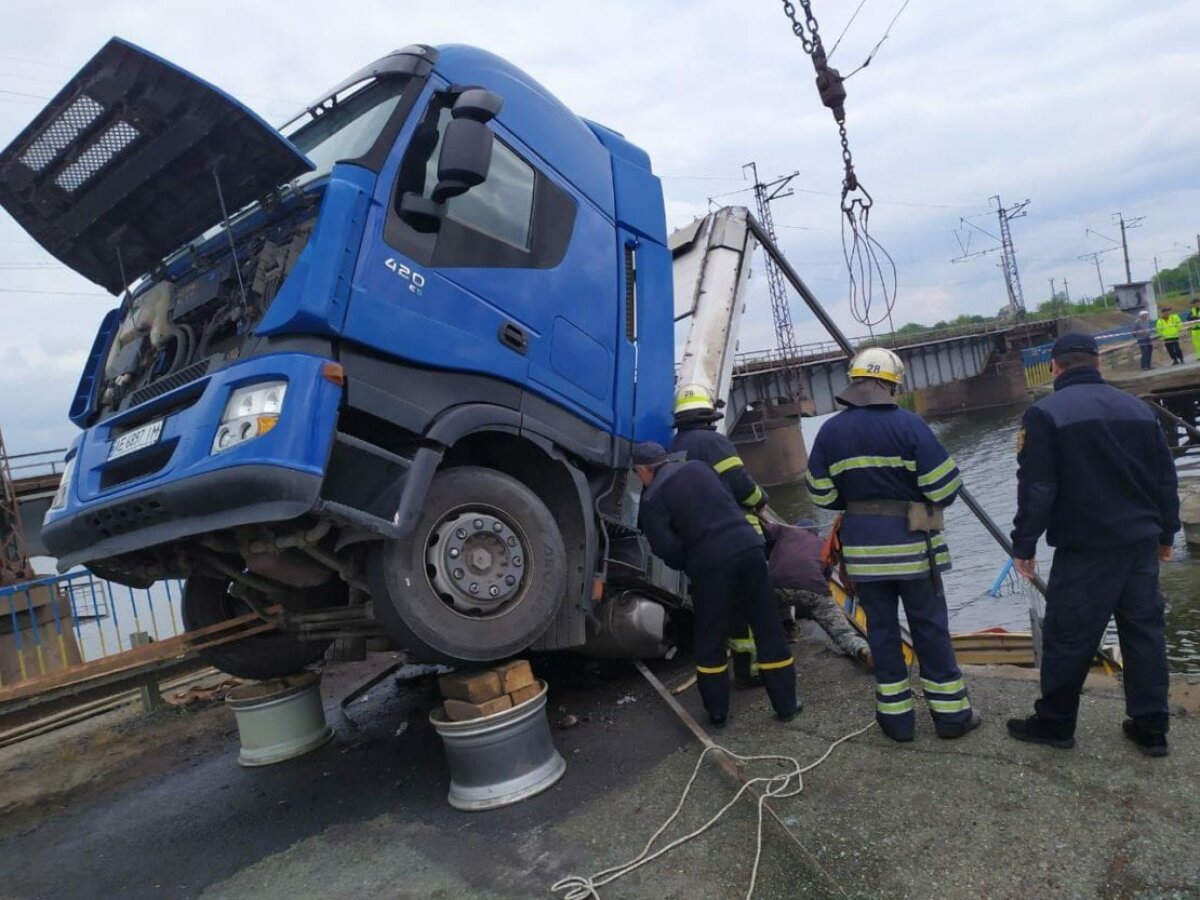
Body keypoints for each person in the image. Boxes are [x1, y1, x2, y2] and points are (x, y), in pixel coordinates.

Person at [1008, 333, 1178, 757]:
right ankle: (1151, 726)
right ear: (1098, 364)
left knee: (1068, 637)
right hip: (1139, 545)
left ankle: (1056, 723)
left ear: (1054, 367)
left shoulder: (1044, 415)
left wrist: (1024, 543)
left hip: (1086, 550)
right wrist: (1167, 534)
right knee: (1144, 634)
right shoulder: (1140, 411)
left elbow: (1039, 487)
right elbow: (1164, 479)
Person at [805, 347, 980, 743]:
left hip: (864, 558)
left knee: (882, 634)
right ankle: (952, 718)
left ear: (855, 383)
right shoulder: (910, 425)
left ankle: (897, 723)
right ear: (890, 384)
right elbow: (946, 487)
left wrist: (857, 500)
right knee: (930, 630)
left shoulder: (830, 432)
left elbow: (820, 493)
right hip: (915, 551)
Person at [633, 441, 801, 727]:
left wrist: (693, 560)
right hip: (749, 547)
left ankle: (718, 712)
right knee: (767, 626)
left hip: (710, 563)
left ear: (643, 470)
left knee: (710, 638)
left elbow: (667, 549)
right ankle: (786, 705)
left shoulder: (651, 500)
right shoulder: (700, 468)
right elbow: (730, 499)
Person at [670, 384, 770, 687]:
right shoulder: (715, 443)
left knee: (718, 609)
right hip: (737, 534)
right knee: (751, 604)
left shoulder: (672, 450)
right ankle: (753, 668)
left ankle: (728, 672)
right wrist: (761, 499)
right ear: (708, 417)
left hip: (697, 543)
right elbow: (741, 486)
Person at [763, 518, 872, 665]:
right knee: (841, 631)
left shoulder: (785, 531)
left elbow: (763, 530)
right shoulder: (822, 545)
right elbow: (826, 579)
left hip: (777, 586)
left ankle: (788, 627)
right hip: (813, 588)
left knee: (778, 597)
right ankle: (862, 650)